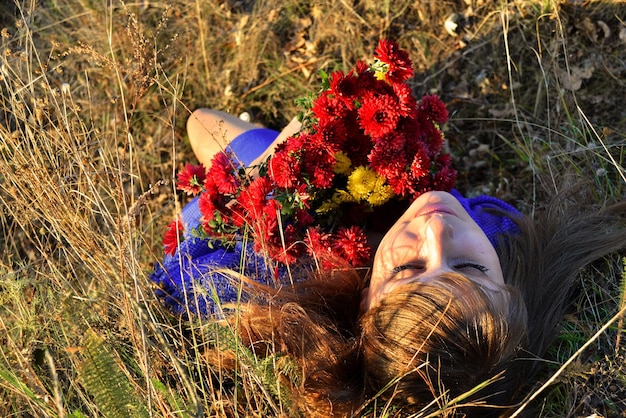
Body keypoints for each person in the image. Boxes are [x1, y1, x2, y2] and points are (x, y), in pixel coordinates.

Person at [152, 108, 626, 417]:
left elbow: (176, 274)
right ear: (506, 281)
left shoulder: (271, 276)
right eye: (472, 268)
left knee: (215, 129)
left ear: (363, 303)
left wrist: (274, 164)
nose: (439, 231)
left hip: (264, 213)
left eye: (408, 270)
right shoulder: (494, 232)